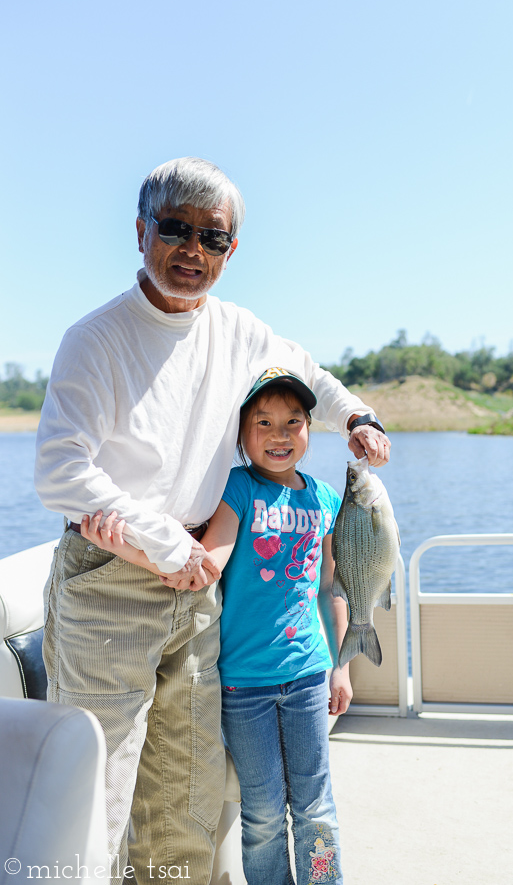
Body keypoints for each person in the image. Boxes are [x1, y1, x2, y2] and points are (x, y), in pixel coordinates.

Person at [35, 157, 390, 885]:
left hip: (200, 585)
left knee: (188, 793)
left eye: (214, 238)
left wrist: (356, 415)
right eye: (176, 229)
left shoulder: (242, 332)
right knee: (98, 789)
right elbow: (62, 471)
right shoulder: (94, 338)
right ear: (141, 232)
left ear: (232, 251)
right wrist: (163, 544)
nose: (193, 250)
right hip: (109, 581)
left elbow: (313, 380)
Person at [82, 368, 351, 885]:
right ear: (241, 434)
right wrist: (118, 545)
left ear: (311, 430)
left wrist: (341, 667)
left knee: (316, 807)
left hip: (310, 678)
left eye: (294, 422)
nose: (279, 434)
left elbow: (333, 590)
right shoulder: (238, 488)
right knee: (265, 812)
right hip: (243, 684)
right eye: (264, 422)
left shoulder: (324, 499)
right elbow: (206, 562)